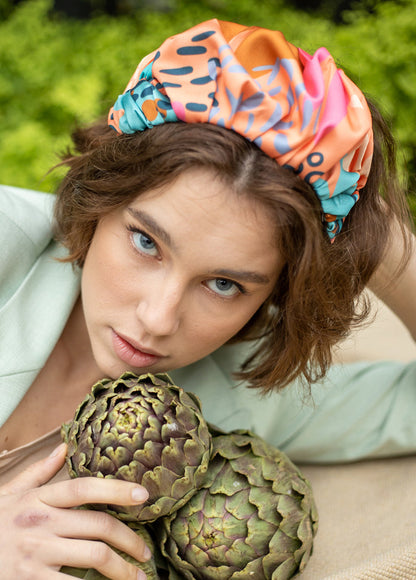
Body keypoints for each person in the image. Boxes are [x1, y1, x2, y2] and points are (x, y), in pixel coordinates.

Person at [0, 18, 415, 579]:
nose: (157, 318)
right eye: (146, 241)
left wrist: (376, 241)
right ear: (100, 195)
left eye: (225, 284)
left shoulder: (244, 397)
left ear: (277, 295)